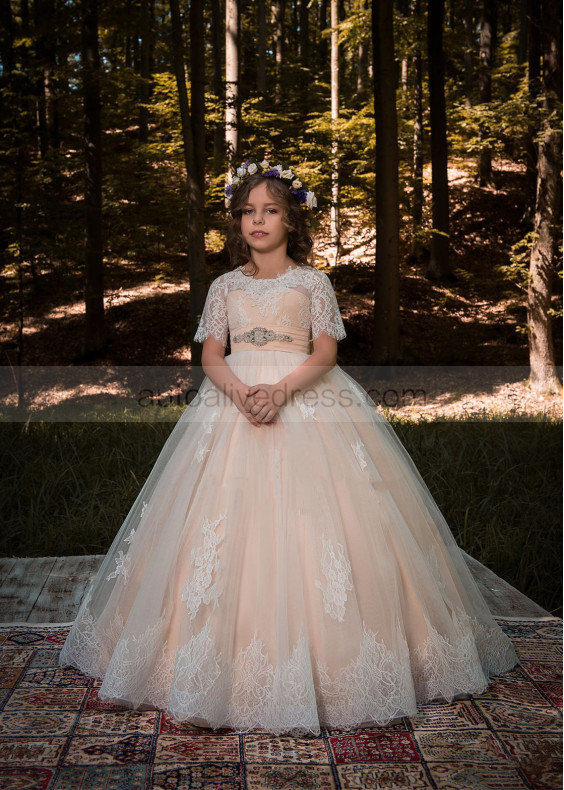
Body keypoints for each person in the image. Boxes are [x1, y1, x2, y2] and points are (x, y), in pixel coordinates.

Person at [59, 156, 519, 736]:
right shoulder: (224, 287)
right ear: (237, 223)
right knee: (217, 521)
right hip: (232, 406)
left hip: (305, 401)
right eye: (248, 211)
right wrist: (242, 394)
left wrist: (278, 392)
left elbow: (325, 354)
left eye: (270, 210)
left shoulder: (312, 283)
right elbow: (209, 356)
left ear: (290, 221)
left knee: (334, 520)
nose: (258, 220)